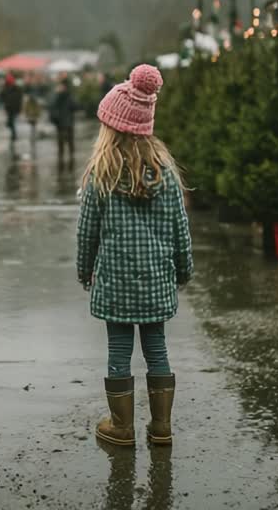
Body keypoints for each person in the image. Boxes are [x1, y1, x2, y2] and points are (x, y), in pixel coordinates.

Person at [76, 64, 193, 448]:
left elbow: (87, 231)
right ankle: (161, 427)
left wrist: (84, 270)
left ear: (113, 126)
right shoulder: (166, 174)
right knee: (157, 348)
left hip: (116, 281)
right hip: (156, 280)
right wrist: (183, 270)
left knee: (119, 351)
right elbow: (180, 228)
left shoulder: (102, 174)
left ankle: (121, 427)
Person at [50, 79, 78, 163]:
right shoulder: (57, 96)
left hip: (67, 121)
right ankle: (62, 157)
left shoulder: (68, 96)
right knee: (61, 141)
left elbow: (75, 106)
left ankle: (70, 157)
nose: (59, 88)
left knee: (69, 141)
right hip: (60, 122)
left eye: (61, 87)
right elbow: (52, 107)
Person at [0, 74, 24, 142]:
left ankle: (14, 135)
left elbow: (20, 99)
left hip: (15, 108)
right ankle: (13, 134)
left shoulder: (17, 89)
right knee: (10, 122)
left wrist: (20, 108)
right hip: (9, 108)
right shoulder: (5, 88)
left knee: (12, 121)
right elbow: (1, 97)